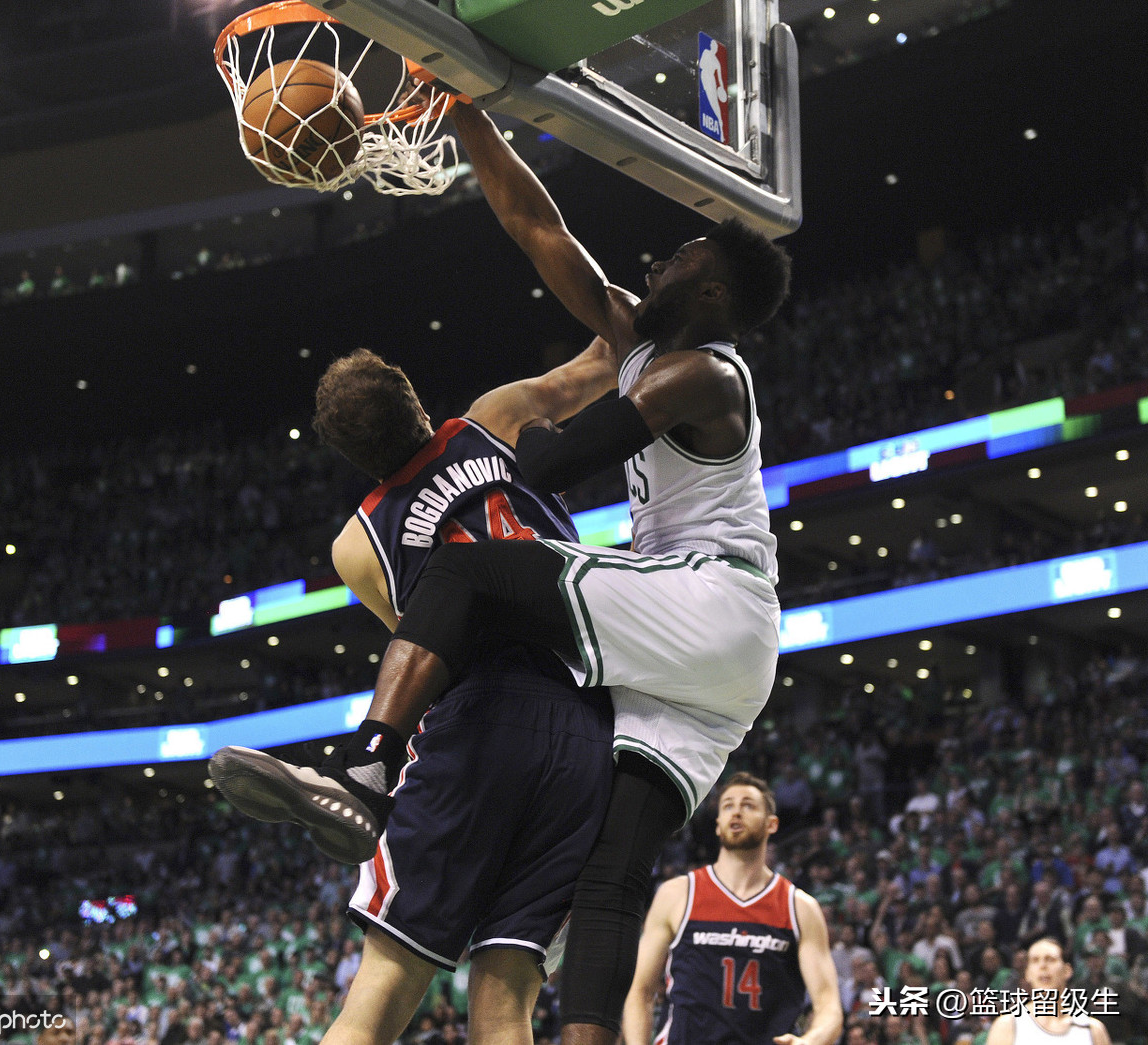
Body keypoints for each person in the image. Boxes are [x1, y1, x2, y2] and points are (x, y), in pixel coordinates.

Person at [215, 98, 790, 1045]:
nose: (654, 262)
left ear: (715, 291)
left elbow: (559, 463)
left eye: (678, 256)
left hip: (703, 598)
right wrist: (462, 106)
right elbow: (537, 226)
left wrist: (466, 468)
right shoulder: (617, 356)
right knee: (602, 886)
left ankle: (365, 771)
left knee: (478, 569)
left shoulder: (708, 372)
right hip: (663, 677)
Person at [213, 341, 620, 1045]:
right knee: (505, 997)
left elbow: (425, 643)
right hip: (590, 713)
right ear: (418, 400)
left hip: (482, 720)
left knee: (380, 992)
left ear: (353, 458)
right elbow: (604, 363)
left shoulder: (356, 544)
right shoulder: (493, 417)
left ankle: (362, 771)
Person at [622, 774, 842, 1045]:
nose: (736, 811)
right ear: (718, 825)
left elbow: (829, 1005)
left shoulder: (799, 907)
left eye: (748, 805)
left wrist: (811, 1041)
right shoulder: (678, 894)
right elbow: (640, 991)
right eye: (727, 805)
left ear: (771, 824)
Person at [986, 936, 1112, 1045]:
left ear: (1067, 971)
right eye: (1035, 960)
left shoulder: (1092, 1029)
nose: (1043, 966)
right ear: (1028, 974)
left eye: (1050, 959)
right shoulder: (1008, 1025)